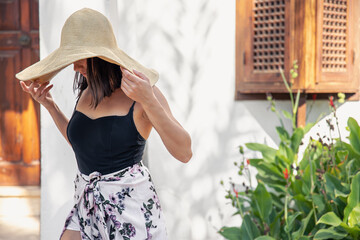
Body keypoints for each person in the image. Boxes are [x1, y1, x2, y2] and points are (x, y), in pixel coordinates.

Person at [17, 8, 192, 240]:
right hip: (86, 205)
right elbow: (85, 145)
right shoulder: (87, 90)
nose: (73, 67)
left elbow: (184, 151)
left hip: (130, 214)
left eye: (78, 58)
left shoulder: (141, 92)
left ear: (100, 57)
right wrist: (50, 106)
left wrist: (149, 100)